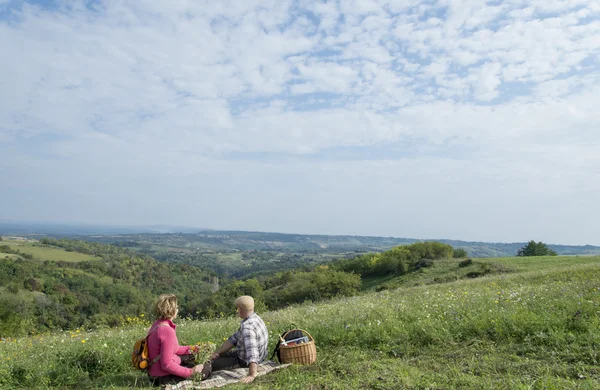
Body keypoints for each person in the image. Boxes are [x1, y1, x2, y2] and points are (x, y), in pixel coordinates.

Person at [147, 294, 209, 386]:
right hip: (163, 378)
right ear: (171, 310)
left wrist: (194, 348)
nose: (177, 309)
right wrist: (191, 372)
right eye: (176, 307)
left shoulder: (156, 325)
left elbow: (174, 349)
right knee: (206, 366)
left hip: (153, 375)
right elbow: (166, 365)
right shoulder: (167, 331)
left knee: (193, 356)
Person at [210, 295, 269, 383]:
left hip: (244, 361)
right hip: (250, 354)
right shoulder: (255, 318)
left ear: (240, 309)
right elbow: (234, 339)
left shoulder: (247, 328)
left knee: (211, 364)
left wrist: (252, 374)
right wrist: (217, 353)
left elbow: (252, 353)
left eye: (237, 309)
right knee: (215, 357)